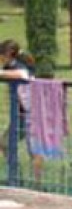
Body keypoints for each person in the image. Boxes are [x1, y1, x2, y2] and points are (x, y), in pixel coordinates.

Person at [0, 39, 42, 184]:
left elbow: (21, 74)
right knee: (5, 142)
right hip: (20, 115)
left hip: (31, 114)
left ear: (8, 54)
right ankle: (16, 178)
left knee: (34, 149)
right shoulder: (10, 66)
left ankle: (38, 184)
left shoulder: (21, 67)